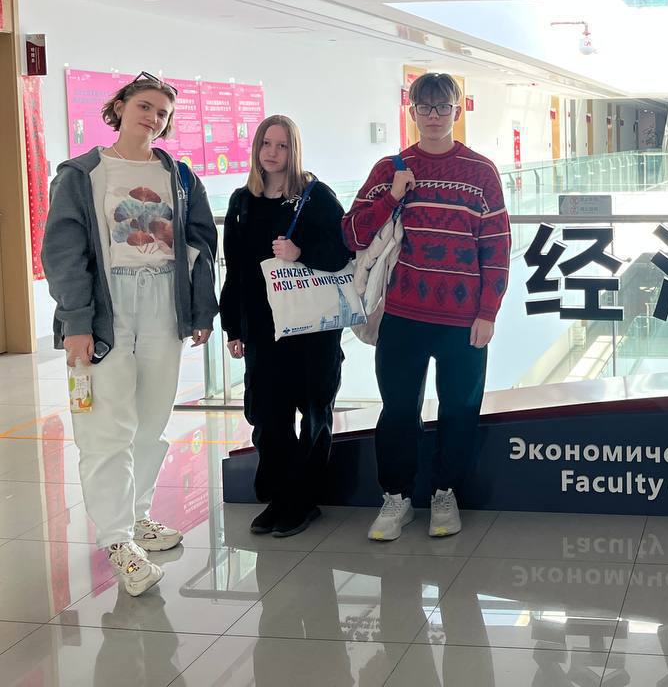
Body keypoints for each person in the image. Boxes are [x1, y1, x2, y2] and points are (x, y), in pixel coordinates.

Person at [42, 72, 218, 596]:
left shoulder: (178, 175)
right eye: (144, 106)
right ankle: (117, 540)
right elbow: (63, 252)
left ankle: (137, 517)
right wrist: (76, 321)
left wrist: (200, 310)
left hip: (163, 305)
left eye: (162, 113)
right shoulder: (82, 174)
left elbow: (201, 244)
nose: (153, 118)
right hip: (107, 309)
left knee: (151, 424)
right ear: (119, 107)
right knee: (105, 430)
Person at [343, 72, 511, 543]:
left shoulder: (482, 172)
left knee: (460, 409)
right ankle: (396, 497)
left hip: (463, 321)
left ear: (458, 110)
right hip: (402, 315)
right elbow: (352, 233)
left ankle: (445, 493)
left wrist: (488, 312)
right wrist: (393, 195)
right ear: (412, 110)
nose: (434, 116)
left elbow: (496, 246)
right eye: (425, 107)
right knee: (398, 410)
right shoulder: (389, 169)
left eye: (443, 107)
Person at [219, 115, 352, 537]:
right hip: (264, 330)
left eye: (282, 145)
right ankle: (279, 497)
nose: (272, 153)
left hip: (312, 331)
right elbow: (235, 270)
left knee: (314, 413)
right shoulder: (242, 202)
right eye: (266, 144)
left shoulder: (315, 196)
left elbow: (343, 253)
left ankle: (303, 501)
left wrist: (300, 251)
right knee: (269, 417)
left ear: (294, 151)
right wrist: (233, 327)